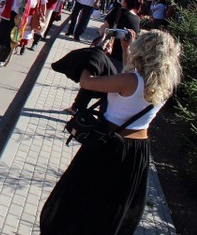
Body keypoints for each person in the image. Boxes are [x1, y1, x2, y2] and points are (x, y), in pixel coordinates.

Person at [40, 30, 182, 234]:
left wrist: (91, 60)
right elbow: (129, 89)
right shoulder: (163, 85)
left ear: (144, 50)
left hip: (109, 148)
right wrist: (125, 51)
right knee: (109, 208)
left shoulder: (130, 80)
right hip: (137, 152)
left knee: (82, 198)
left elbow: (87, 83)